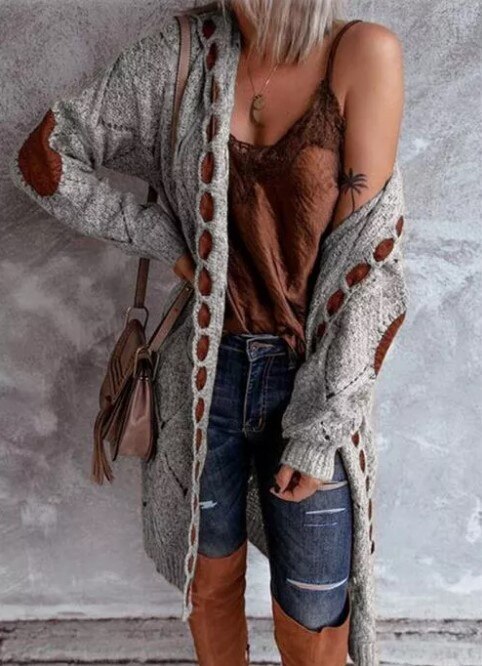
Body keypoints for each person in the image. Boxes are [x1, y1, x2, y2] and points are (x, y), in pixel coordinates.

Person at [9, 1, 406, 664]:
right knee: (211, 584)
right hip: (202, 378)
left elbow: (370, 270)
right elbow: (45, 157)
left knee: (315, 613)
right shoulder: (184, 51)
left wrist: (317, 432)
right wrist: (163, 240)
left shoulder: (363, 54)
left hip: (314, 383)